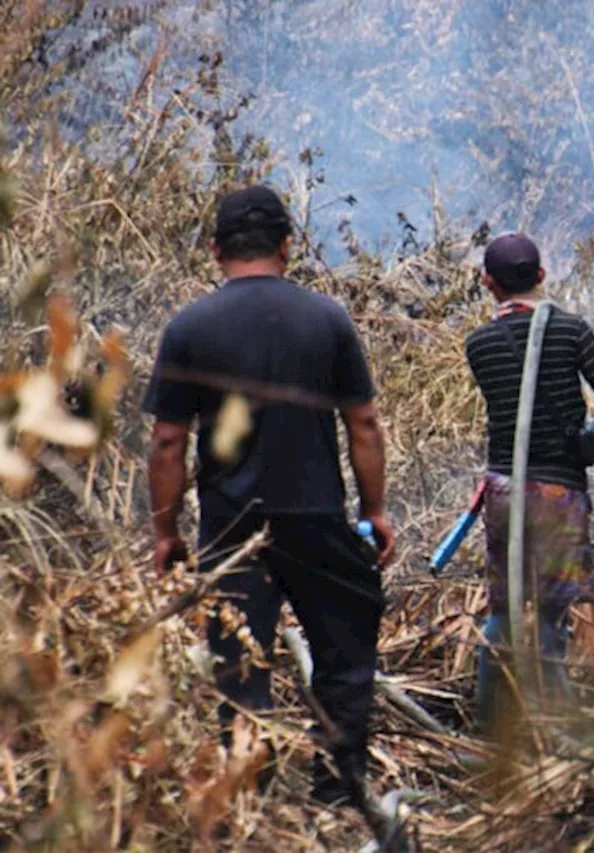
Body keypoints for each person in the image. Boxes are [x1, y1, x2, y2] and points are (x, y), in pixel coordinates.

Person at [144, 185, 393, 806]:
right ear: (287, 246)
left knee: (239, 671)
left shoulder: (189, 327)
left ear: (214, 250)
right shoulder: (327, 319)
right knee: (344, 653)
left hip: (232, 528)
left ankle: (250, 805)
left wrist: (166, 532)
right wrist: (375, 513)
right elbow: (363, 424)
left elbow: (168, 442)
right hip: (315, 521)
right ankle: (338, 799)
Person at [464, 233, 594, 729]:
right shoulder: (569, 329)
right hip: (558, 494)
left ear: (487, 282)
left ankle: (492, 728)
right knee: (553, 618)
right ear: (541, 275)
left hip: (504, 493)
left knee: (505, 612)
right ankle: (559, 727)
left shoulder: (479, 344)